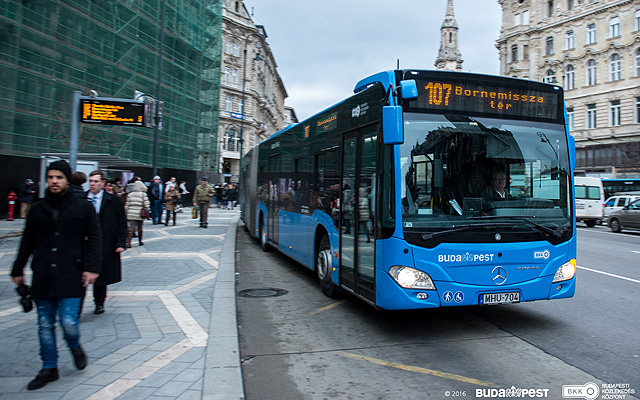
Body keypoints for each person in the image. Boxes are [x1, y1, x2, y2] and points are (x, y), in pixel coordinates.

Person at [10, 160, 102, 390]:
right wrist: (17, 269)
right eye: (51, 177)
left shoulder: (82, 206)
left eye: (59, 177)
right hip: (43, 275)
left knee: (68, 321)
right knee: (44, 324)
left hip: (72, 274)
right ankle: (49, 367)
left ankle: (74, 346)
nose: (54, 181)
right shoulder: (38, 208)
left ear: (67, 180)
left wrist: (92, 268)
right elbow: (27, 241)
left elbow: (95, 240)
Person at [86, 170, 127, 315]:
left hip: (105, 242)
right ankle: (76, 304)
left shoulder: (114, 201)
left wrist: (121, 243)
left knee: (101, 275)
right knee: (80, 273)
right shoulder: (82, 199)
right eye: (91, 181)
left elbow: (122, 223)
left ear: (103, 183)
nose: (92, 184)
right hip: (84, 244)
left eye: (95, 181)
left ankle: (99, 302)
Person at [125, 180, 150, 247]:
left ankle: (129, 242)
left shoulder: (130, 194)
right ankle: (140, 241)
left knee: (131, 228)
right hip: (140, 213)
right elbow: (146, 204)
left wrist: (126, 212)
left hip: (131, 213)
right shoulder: (143, 194)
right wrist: (148, 210)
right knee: (140, 228)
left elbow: (127, 205)